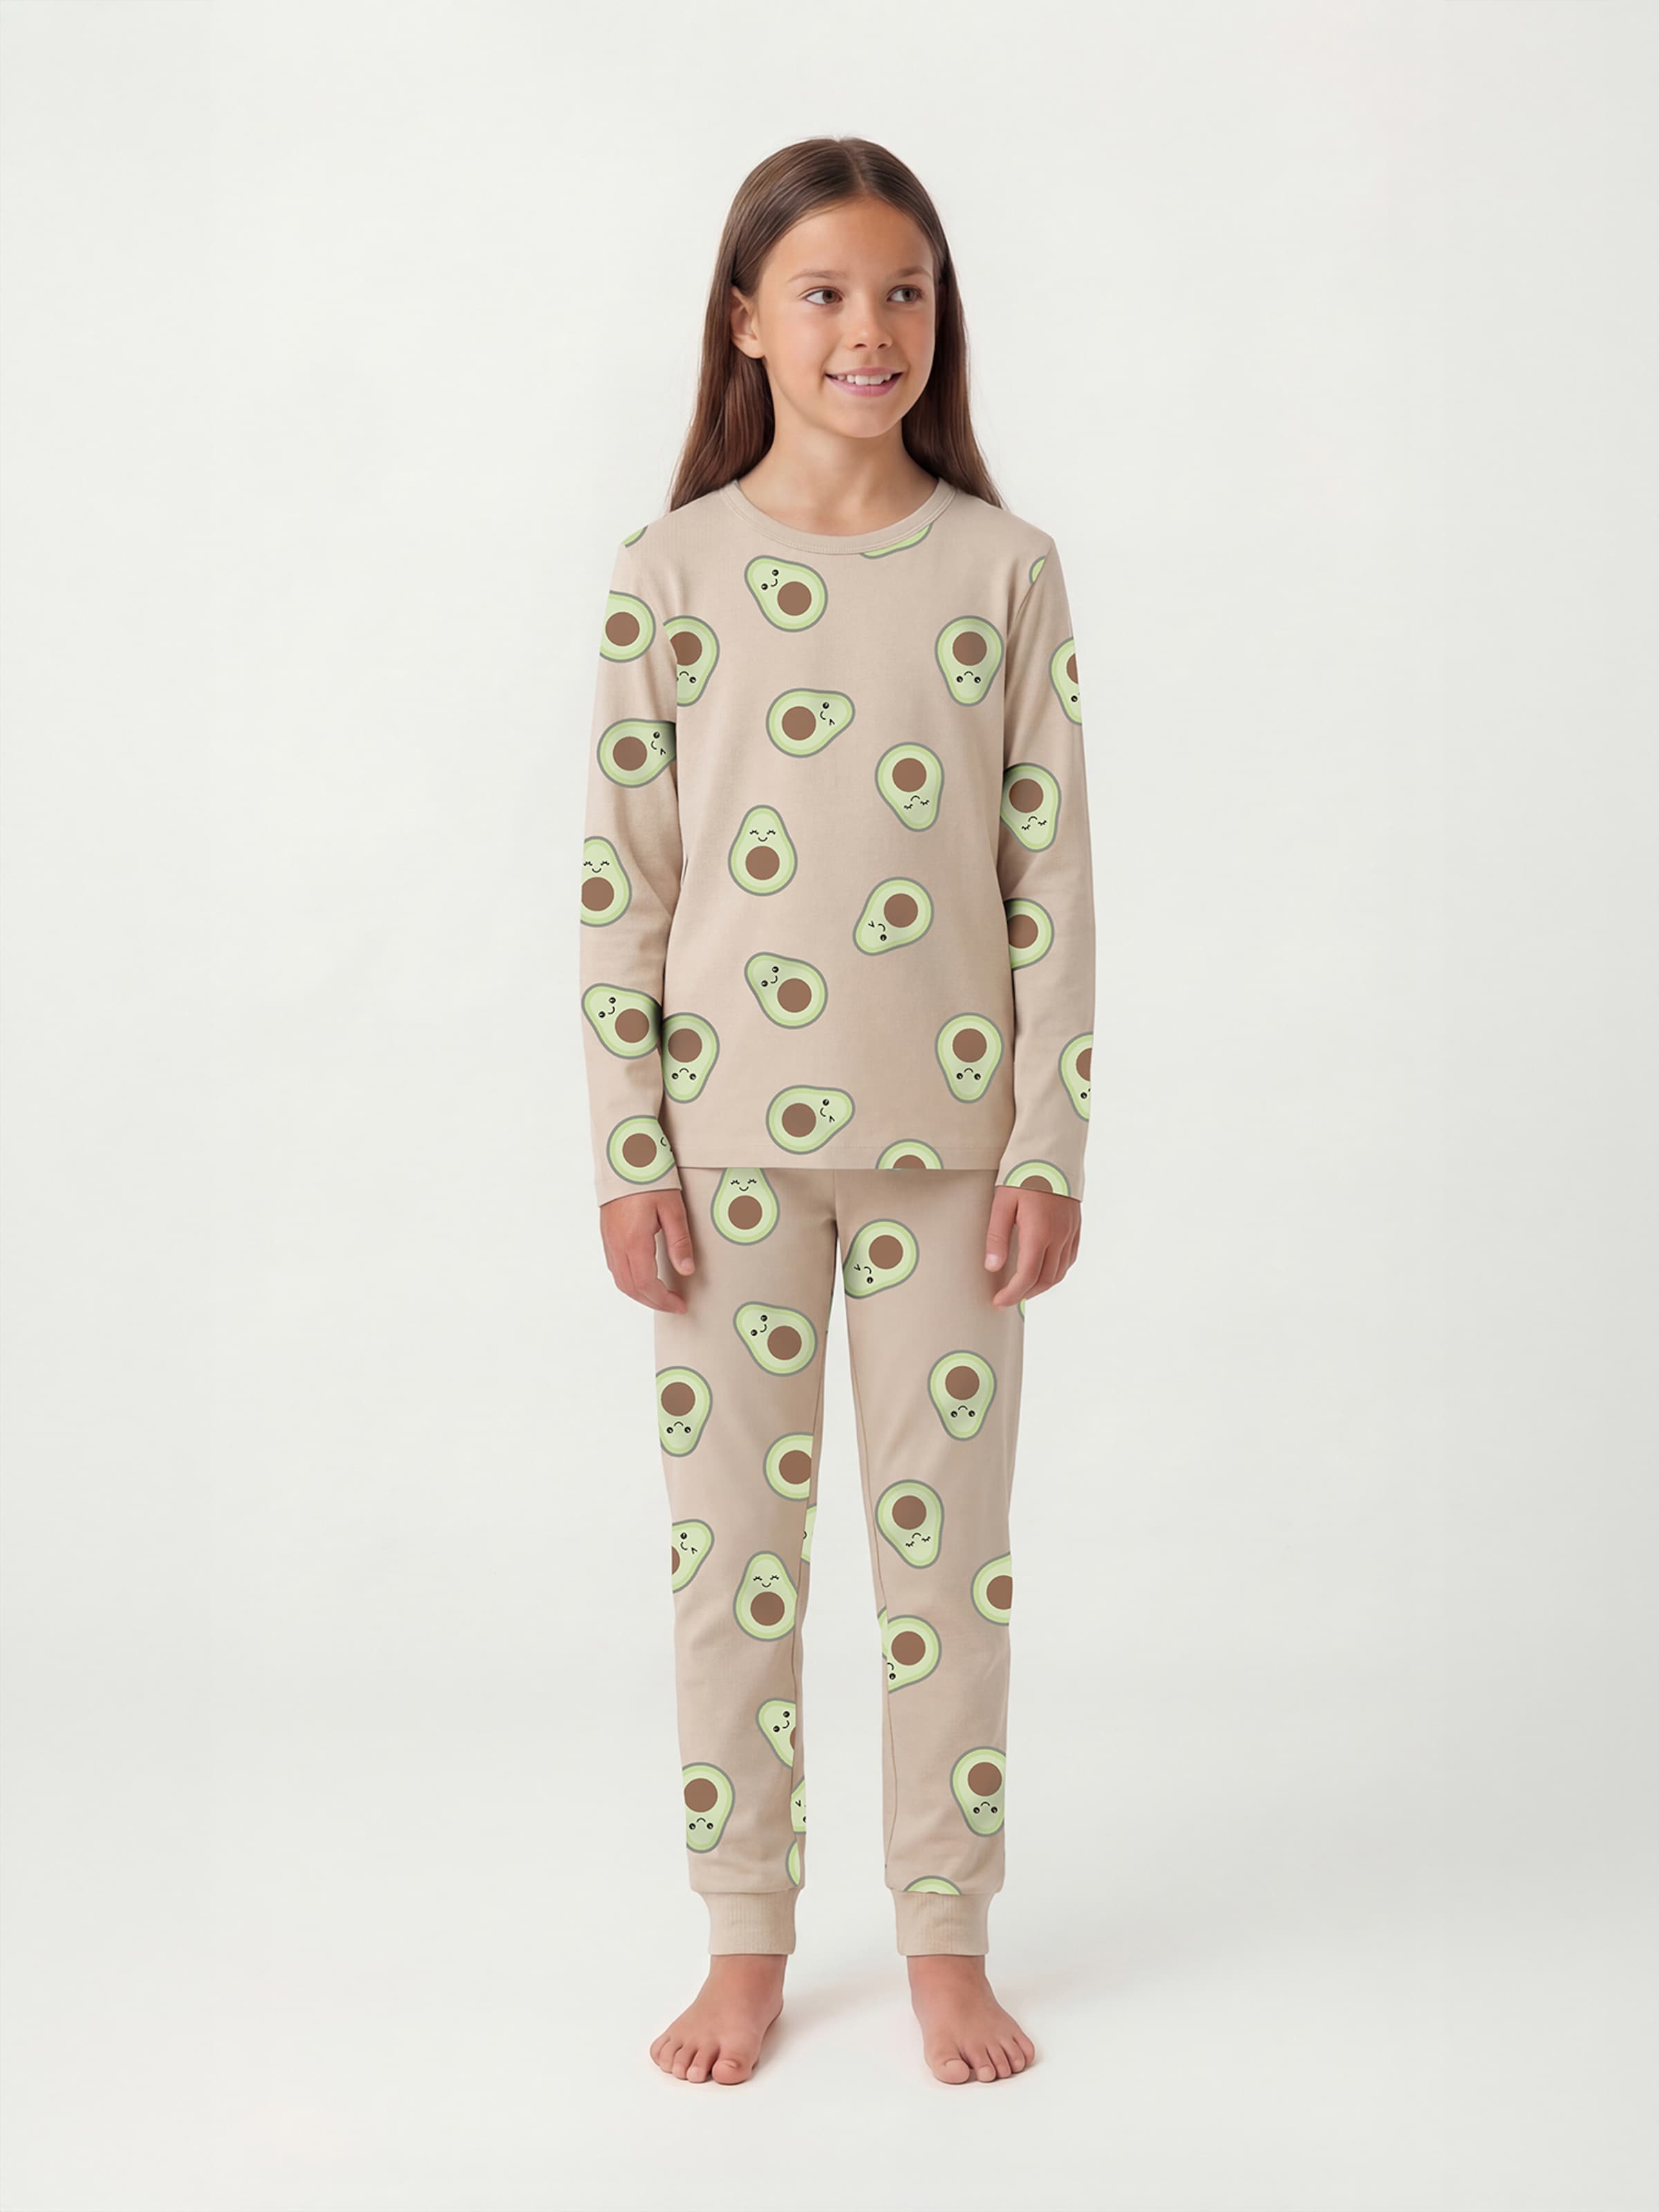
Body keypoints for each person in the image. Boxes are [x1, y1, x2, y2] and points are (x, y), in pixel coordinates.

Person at [577, 137, 1095, 2088]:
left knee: (948, 1567)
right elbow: (623, 884)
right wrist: (631, 1150)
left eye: (902, 292)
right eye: (823, 293)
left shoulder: (1003, 569)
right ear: (745, 323)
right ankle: (747, 1942)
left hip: (955, 1159)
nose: (868, 329)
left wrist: (1047, 1142)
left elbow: (1054, 882)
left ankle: (946, 1938)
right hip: (724, 1158)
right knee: (735, 1567)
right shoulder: (670, 573)